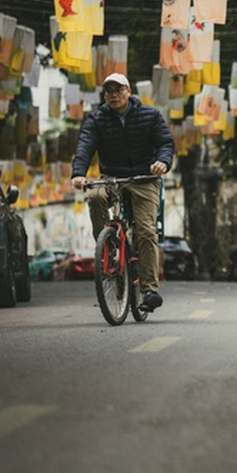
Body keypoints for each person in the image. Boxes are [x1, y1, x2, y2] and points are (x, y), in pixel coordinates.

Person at [72, 73, 174, 312]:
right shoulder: (97, 119)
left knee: (146, 230)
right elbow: (85, 145)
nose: (113, 95)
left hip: (145, 178)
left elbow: (165, 143)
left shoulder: (150, 115)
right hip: (112, 177)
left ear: (128, 91)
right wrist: (78, 173)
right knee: (95, 197)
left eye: (118, 90)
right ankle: (107, 247)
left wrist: (162, 162)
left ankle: (150, 290)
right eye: (108, 91)